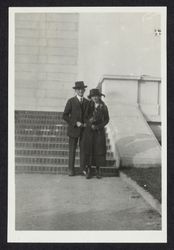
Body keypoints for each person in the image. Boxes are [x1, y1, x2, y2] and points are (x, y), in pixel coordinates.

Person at [81, 88, 109, 179]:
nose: (95, 98)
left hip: (98, 132)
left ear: (99, 96)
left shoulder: (103, 106)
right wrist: (89, 124)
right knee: (89, 149)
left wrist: (98, 127)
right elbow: (84, 118)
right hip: (89, 132)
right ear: (91, 97)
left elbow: (106, 120)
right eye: (93, 96)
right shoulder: (88, 105)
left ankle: (98, 170)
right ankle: (89, 169)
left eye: (96, 96)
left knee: (98, 150)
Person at [62, 81, 89, 176]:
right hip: (73, 130)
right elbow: (65, 116)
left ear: (84, 90)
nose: (80, 91)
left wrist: (87, 123)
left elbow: (89, 116)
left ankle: (82, 169)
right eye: (78, 89)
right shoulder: (71, 101)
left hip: (84, 131)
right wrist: (75, 122)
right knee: (72, 150)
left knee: (83, 150)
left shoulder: (87, 102)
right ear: (76, 91)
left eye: (82, 89)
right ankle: (71, 169)